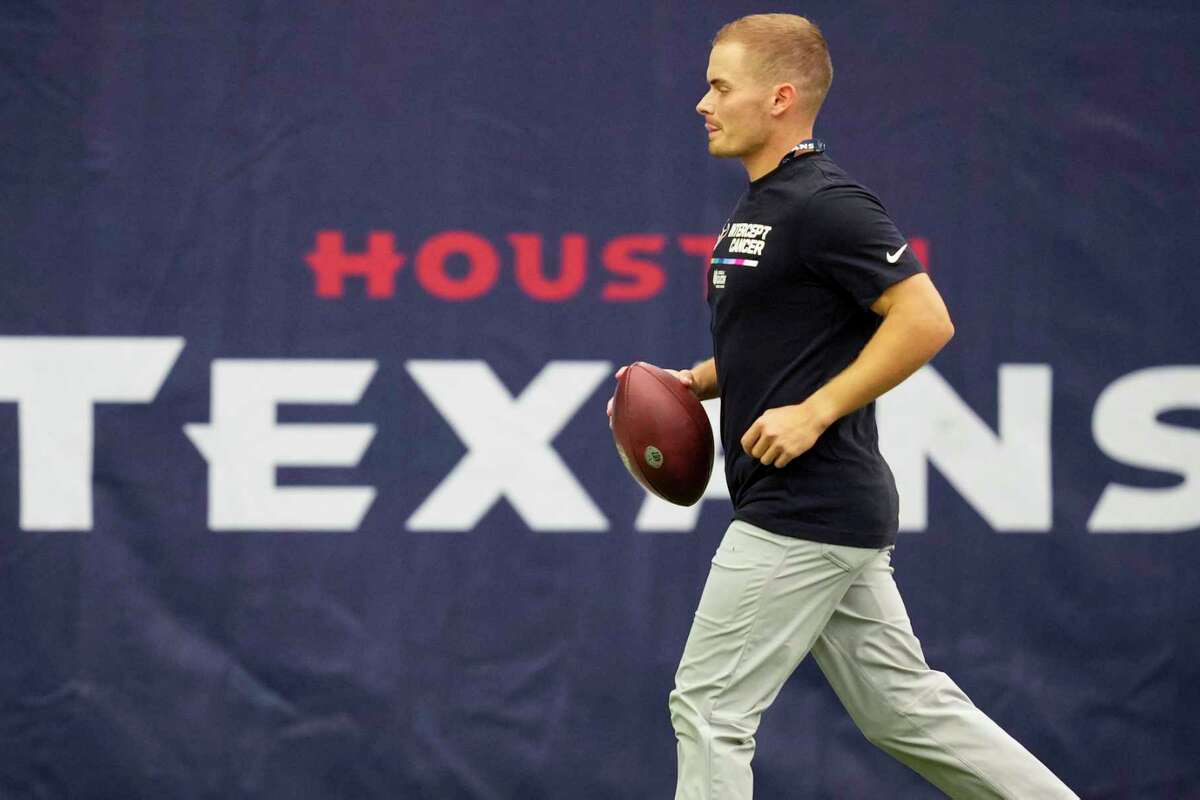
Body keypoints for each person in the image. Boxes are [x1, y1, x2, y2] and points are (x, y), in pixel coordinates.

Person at [610, 13, 1077, 800]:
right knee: (904, 709)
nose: (702, 102)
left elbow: (925, 319)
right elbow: (788, 341)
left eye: (721, 85)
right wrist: (695, 381)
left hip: (803, 507)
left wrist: (815, 410)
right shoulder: (761, 207)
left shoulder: (826, 202)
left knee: (711, 706)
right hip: (827, 511)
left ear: (781, 97)